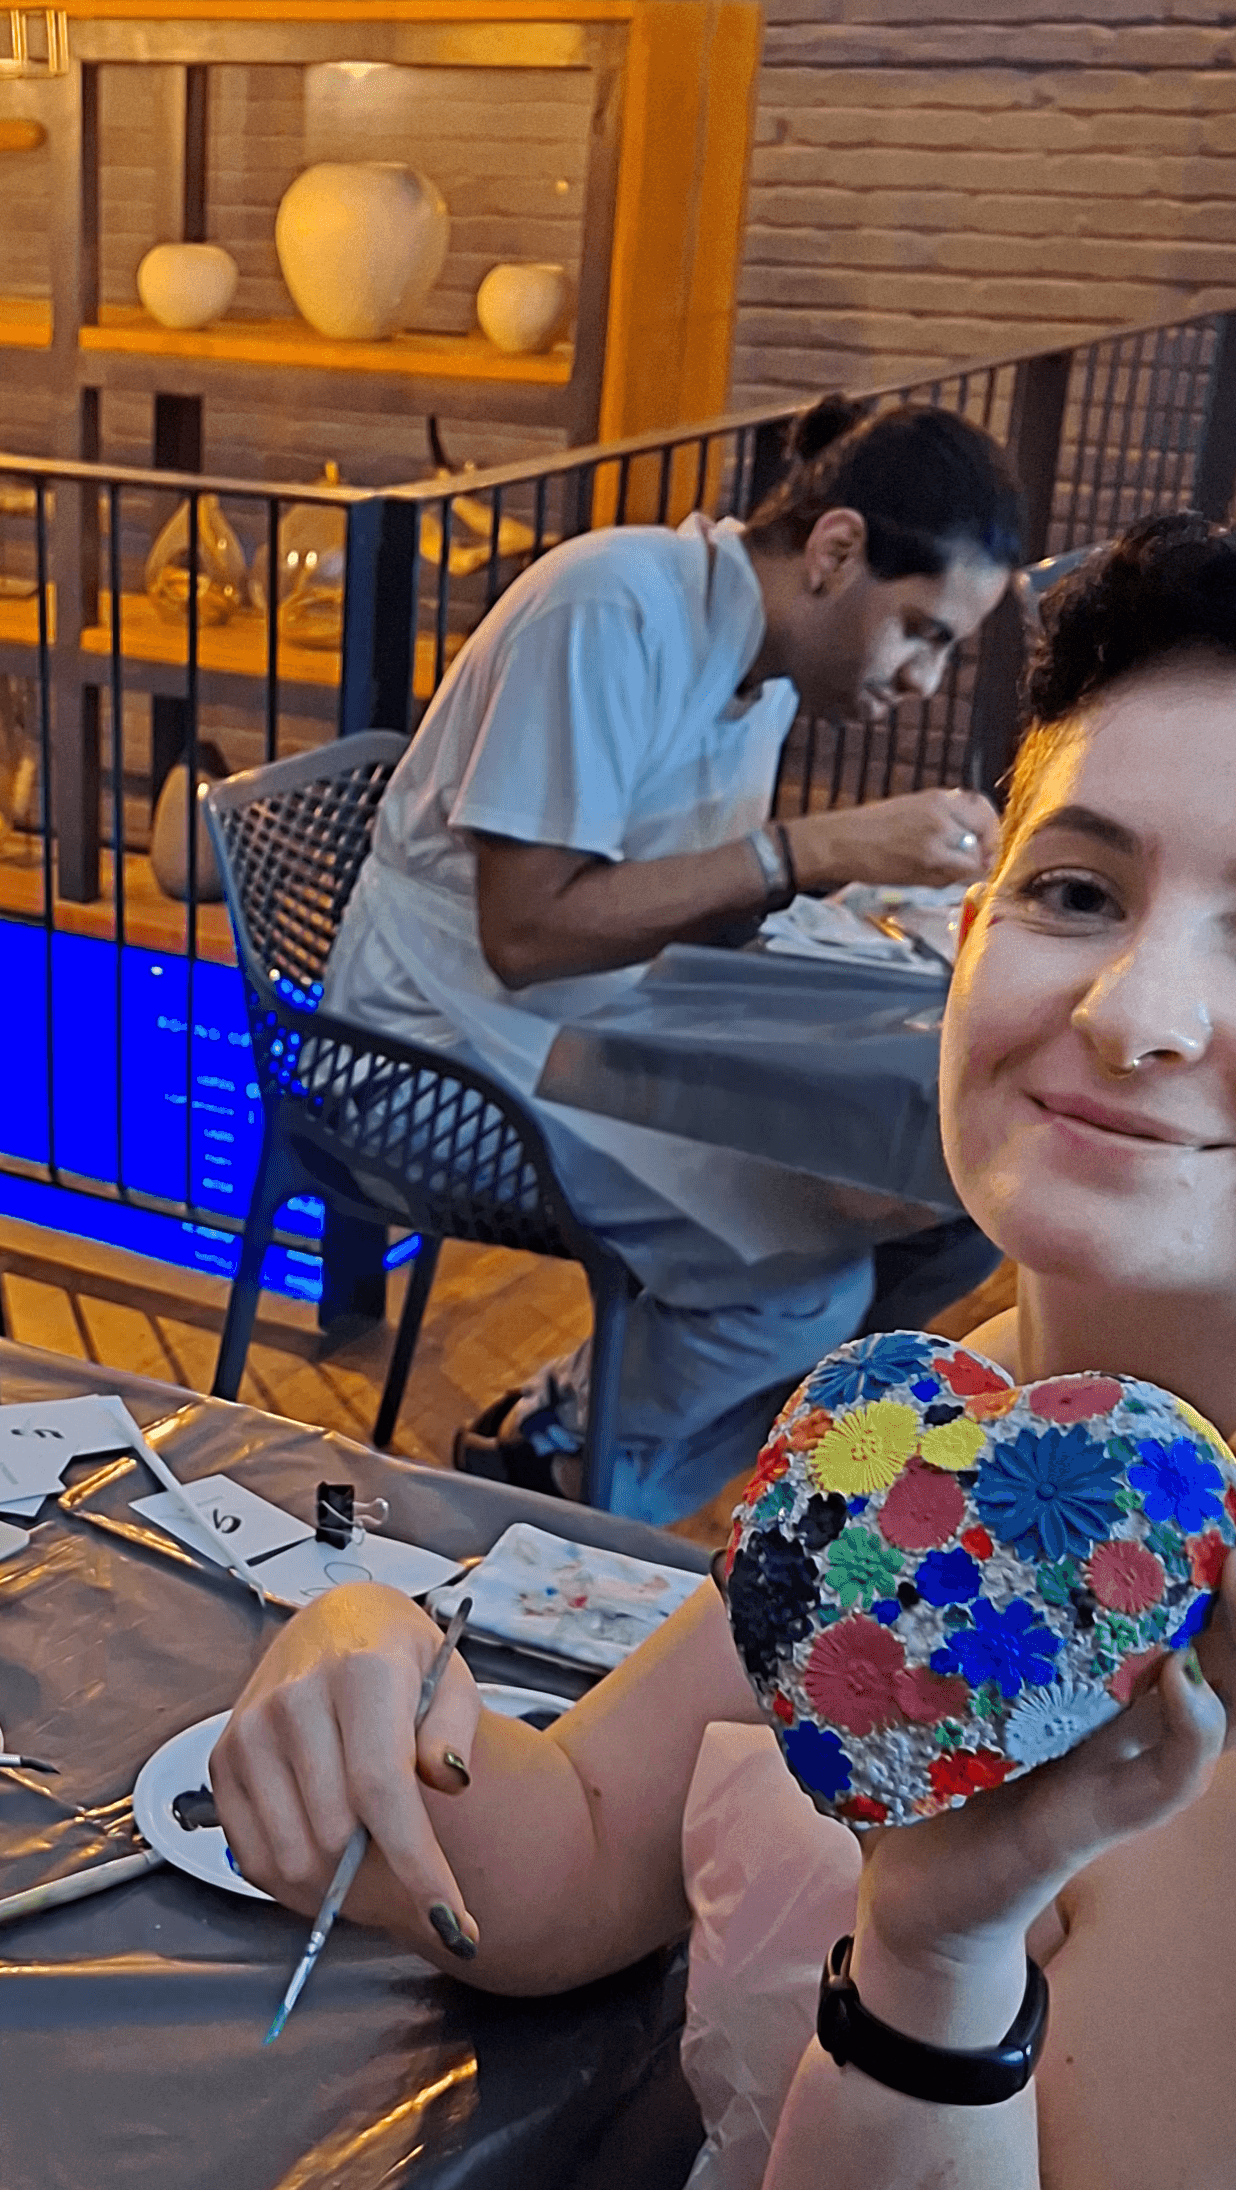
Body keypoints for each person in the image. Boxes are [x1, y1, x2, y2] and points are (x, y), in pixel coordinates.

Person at [214, 506, 1236, 2190]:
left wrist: (944, 1962)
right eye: (1076, 886)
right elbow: (564, 1861)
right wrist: (390, 1680)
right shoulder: (946, 1428)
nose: (1138, 1010)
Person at [320, 399, 1022, 1522]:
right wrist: (807, 851)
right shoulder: (609, 605)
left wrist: (825, 916)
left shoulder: (762, 665)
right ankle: (561, 1476)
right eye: (923, 632)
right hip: (434, 1045)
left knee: (949, 1195)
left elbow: (684, 900)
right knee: (809, 1287)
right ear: (837, 550)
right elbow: (529, 933)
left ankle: (563, 1462)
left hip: (599, 1023)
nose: (924, 681)